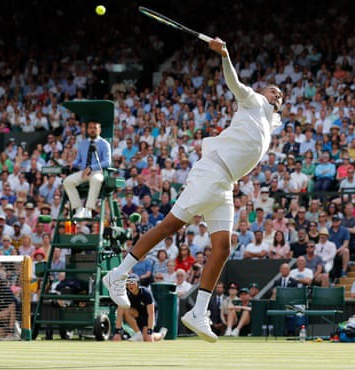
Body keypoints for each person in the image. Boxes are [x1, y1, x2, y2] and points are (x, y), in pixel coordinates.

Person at [103, 37, 284, 343]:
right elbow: (235, 83)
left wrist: (275, 110)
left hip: (225, 185)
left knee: (223, 248)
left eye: (281, 96)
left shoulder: (269, 120)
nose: (278, 95)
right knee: (171, 225)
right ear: (262, 92)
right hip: (211, 172)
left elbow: (274, 119)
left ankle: (198, 313)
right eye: (274, 91)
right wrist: (225, 54)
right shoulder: (253, 100)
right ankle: (118, 274)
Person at [63, 121, 111, 218]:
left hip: (97, 172)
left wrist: (91, 167)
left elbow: (107, 162)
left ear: (99, 130)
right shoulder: (82, 143)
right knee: (67, 181)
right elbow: (78, 160)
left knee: (96, 179)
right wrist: (73, 164)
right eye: (90, 128)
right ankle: (79, 209)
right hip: (83, 172)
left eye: (95, 128)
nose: (92, 130)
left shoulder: (104, 143)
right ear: (87, 129)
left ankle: (88, 210)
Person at [113, 274, 166, 342]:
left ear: (138, 283)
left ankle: (160, 335)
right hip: (136, 313)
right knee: (126, 310)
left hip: (148, 315)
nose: (130, 285)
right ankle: (138, 334)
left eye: (132, 282)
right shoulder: (125, 293)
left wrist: (150, 330)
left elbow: (151, 313)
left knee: (148, 338)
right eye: (128, 283)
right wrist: (117, 332)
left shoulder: (146, 293)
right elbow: (120, 312)